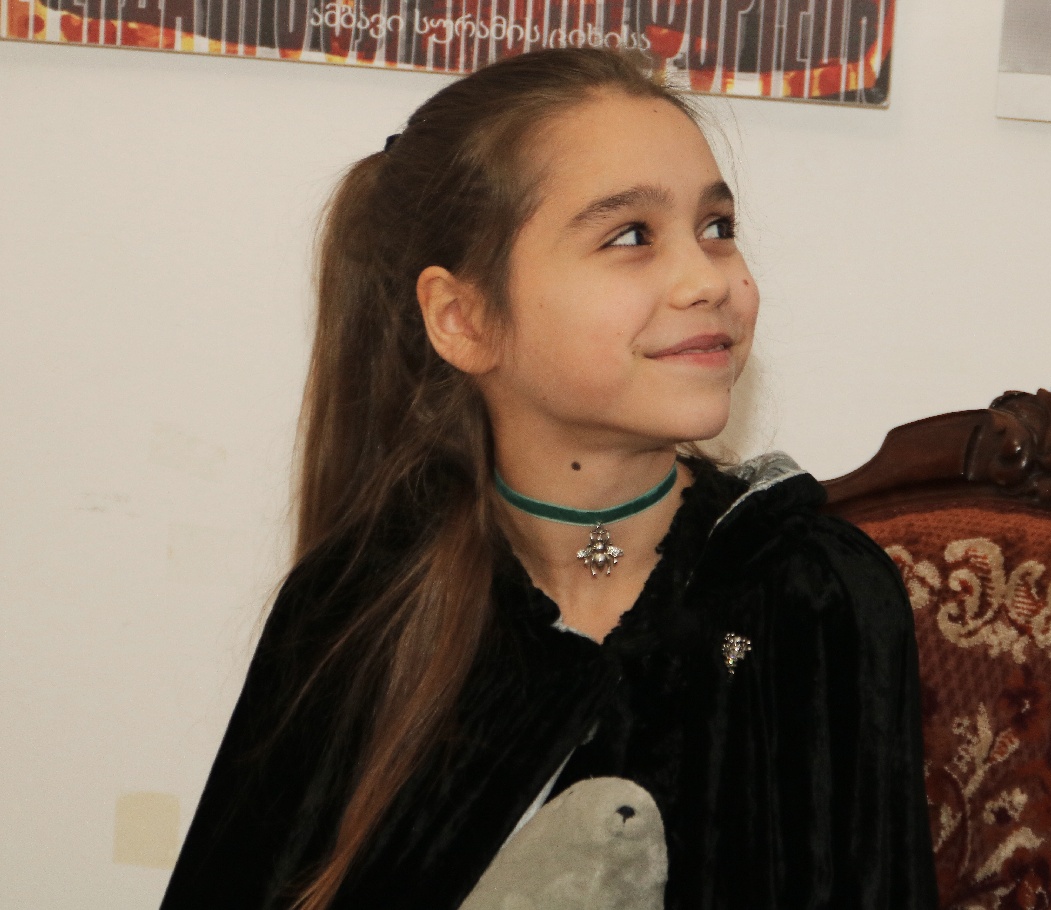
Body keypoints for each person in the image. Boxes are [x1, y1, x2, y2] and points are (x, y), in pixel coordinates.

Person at [160, 47, 936, 910]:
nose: (706, 279)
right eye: (630, 236)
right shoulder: (356, 603)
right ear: (463, 318)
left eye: (716, 227)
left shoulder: (805, 594)